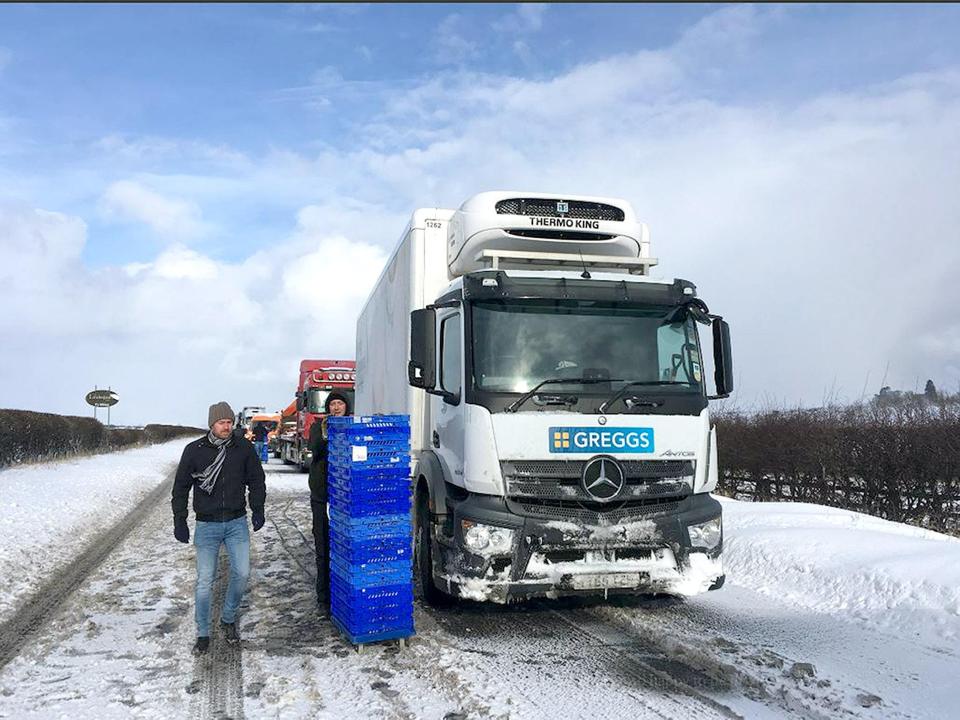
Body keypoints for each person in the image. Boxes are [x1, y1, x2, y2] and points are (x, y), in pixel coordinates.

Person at [172, 401, 266, 656]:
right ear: (211, 424)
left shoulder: (243, 448)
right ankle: (203, 632)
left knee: (243, 573)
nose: (227, 426)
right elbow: (180, 487)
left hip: (236, 522)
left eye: (229, 422)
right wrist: (179, 520)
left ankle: (227, 618)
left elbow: (257, 480)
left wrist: (258, 509)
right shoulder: (194, 451)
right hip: (207, 524)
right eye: (222, 422)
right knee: (205, 581)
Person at [308, 391, 350, 615]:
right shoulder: (318, 427)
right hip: (322, 495)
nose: (335, 408)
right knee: (323, 544)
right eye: (332, 404)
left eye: (339, 403)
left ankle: (342, 594)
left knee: (343, 547)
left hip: (345, 497)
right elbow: (316, 449)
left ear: (346, 406)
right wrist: (327, 434)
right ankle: (323, 597)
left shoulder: (353, 427)